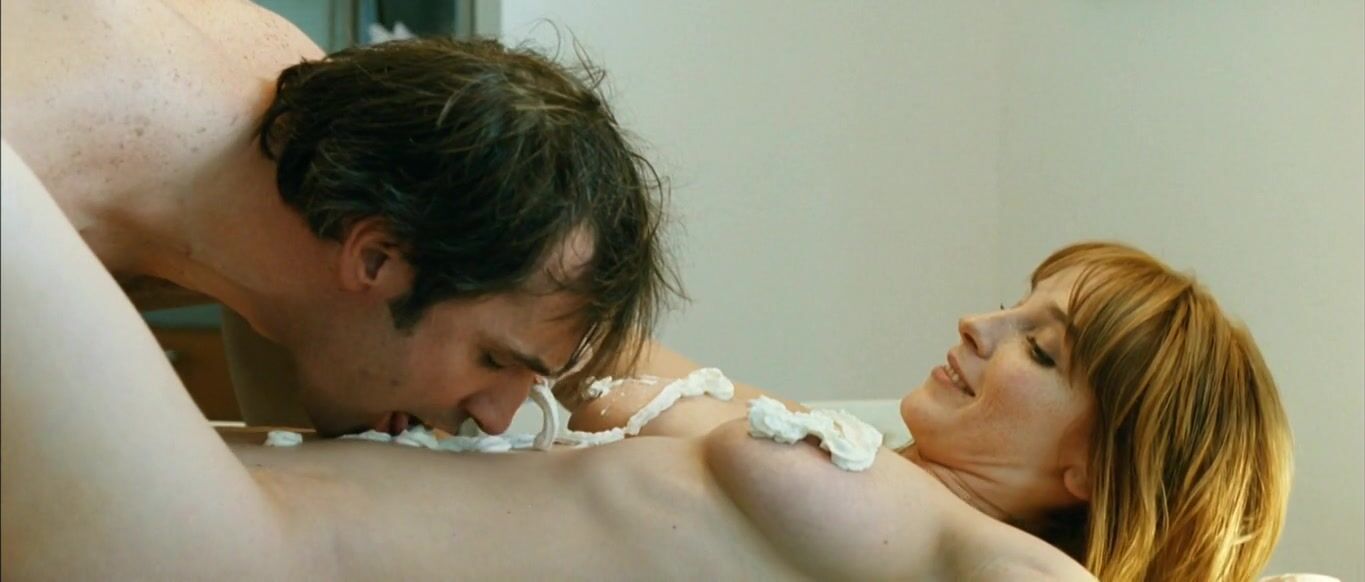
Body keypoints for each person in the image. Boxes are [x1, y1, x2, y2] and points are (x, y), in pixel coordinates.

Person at [1, 143, 1290, 582]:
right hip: (226, 485)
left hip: (229, 553)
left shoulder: (1000, 563)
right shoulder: (862, 471)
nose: (977, 326)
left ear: (1098, 464)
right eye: (1014, 307)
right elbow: (600, 349)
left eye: (1040, 346)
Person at [0, 0, 679, 438]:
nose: (496, 420)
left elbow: (612, 361)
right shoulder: (42, 143)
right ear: (375, 258)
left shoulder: (310, 163)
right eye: (492, 360)